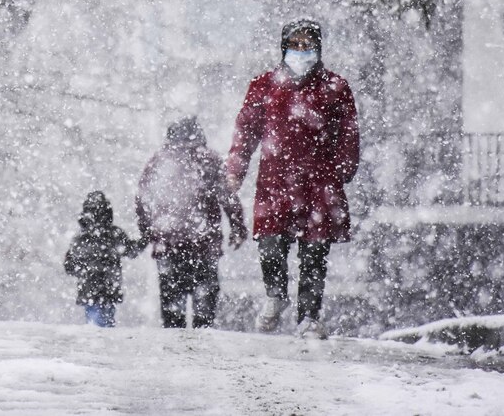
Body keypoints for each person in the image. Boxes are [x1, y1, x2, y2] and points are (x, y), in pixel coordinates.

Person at [225, 18, 360, 339]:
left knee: (314, 255)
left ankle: (309, 318)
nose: (302, 51)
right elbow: (245, 133)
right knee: (271, 244)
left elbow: (348, 134)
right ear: (283, 46)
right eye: (295, 44)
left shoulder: (336, 88)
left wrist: (343, 169)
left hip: (319, 183)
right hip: (276, 181)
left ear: (319, 48)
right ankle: (276, 294)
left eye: (308, 45)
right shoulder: (263, 87)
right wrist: (235, 171)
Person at [136, 116, 248, 328]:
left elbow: (142, 198)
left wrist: (148, 230)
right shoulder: (209, 159)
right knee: (204, 305)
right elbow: (227, 197)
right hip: (203, 243)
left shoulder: (159, 161)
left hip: (168, 242)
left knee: (171, 302)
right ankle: (202, 343)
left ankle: (174, 345)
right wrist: (237, 227)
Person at [64, 190, 148, 327]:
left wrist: (83, 270)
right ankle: (101, 339)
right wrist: (145, 239)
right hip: (109, 287)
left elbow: (69, 266)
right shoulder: (114, 234)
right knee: (106, 321)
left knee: (95, 321)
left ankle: (96, 340)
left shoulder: (81, 238)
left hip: (89, 288)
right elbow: (131, 251)